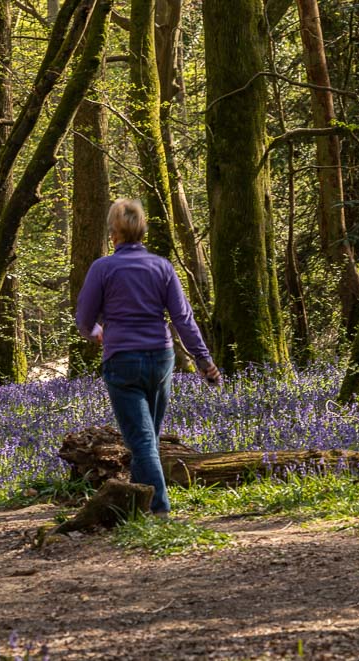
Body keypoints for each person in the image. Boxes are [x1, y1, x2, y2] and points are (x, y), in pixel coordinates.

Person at [75, 198, 220, 518]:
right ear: (142, 229)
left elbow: (84, 319)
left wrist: (97, 333)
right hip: (160, 360)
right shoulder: (162, 267)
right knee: (147, 439)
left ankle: (159, 511)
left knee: (141, 440)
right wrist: (204, 360)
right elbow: (184, 319)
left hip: (123, 361)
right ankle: (135, 510)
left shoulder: (103, 268)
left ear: (114, 232)